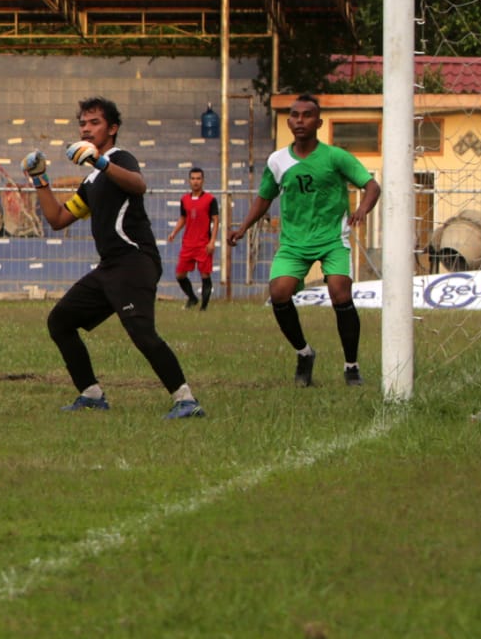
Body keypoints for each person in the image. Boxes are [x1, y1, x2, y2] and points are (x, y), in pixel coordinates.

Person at [23, 96, 205, 419]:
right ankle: (91, 394)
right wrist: (39, 179)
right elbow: (58, 219)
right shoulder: (91, 180)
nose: (86, 128)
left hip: (135, 261)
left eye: (95, 122)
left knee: (140, 331)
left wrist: (101, 162)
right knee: (60, 321)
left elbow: (138, 185)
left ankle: (186, 400)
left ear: (113, 128)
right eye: (82, 123)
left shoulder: (120, 159)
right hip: (110, 267)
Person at [227, 93, 381, 386]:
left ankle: (351, 366)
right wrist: (243, 227)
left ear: (318, 122)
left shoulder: (335, 156)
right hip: (294, 241)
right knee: (279, 293)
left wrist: (361, 208)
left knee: (340, 292)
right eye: (295, 115)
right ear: (289, 121)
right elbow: (264, 198)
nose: (300, 120)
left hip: (332, 237)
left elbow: (372, 186)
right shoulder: (278, 160)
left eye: (307, 115)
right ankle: (304, 353)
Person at [166, 167, 219, 310]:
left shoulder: (210, 199)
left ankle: (203, 308)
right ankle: (192, 298)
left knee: (205, 275)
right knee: (180, 275)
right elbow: (183, 217)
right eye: (193, 178)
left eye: (198, 178)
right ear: (189, 180)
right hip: (188, 243)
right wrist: (174, 232)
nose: (196, 182)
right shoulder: (184, 199)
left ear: (203, 180)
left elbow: (215, 220)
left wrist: (212, 241)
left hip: (203, 243)